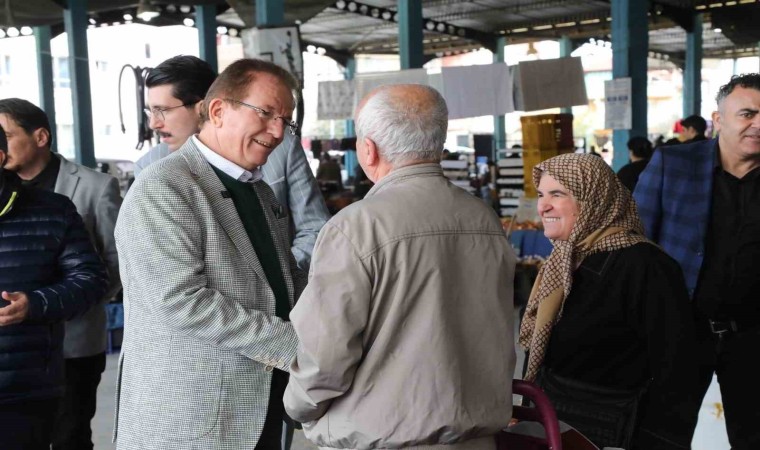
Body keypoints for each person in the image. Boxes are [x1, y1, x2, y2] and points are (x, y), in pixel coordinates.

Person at [284, 84, 517, 450]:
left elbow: (325, 356)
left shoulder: (354, 227)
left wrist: (296, 406)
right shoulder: (484, 219)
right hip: (476, 437)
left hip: (380, 439)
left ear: (368, 150)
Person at [114, 59, 306, 449]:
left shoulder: (259, 192)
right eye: (266, 113)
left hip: (258, 404)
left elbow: (280, 280)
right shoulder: (164, 188)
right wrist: (295, 344)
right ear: (218, 110)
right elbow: (181, 300)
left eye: (285, 121)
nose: (277, 131)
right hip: (191, 417)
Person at [521, 153, 700, 450]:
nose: (543, 206)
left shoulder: (645, 265)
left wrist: (658, 441)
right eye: (541, 194)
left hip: (614, 432)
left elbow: (678, 371)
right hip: (555, 423)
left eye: (558, 194)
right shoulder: (562, 260)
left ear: (593, 198)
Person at [634, 73, 760, 449]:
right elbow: (636, 243)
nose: (758, 125)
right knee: (662, 435)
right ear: (717, 120)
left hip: (752, 336)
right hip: (682, 332)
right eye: (747, 114)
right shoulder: (673, 164)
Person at [0, 98, 122, 450]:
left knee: (70, 436)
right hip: (18, 352)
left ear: (40, 137)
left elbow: (114, 263)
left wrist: (60, 303)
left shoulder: (94, 186)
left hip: (75, 340)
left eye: (7, 135)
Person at [135, 55, 329, 271]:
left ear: (206, 108)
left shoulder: (278, 150)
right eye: (150, 111)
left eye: (162, 110)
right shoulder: (151, 174)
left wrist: (284, 280)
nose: (153, 123)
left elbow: (315, 227)